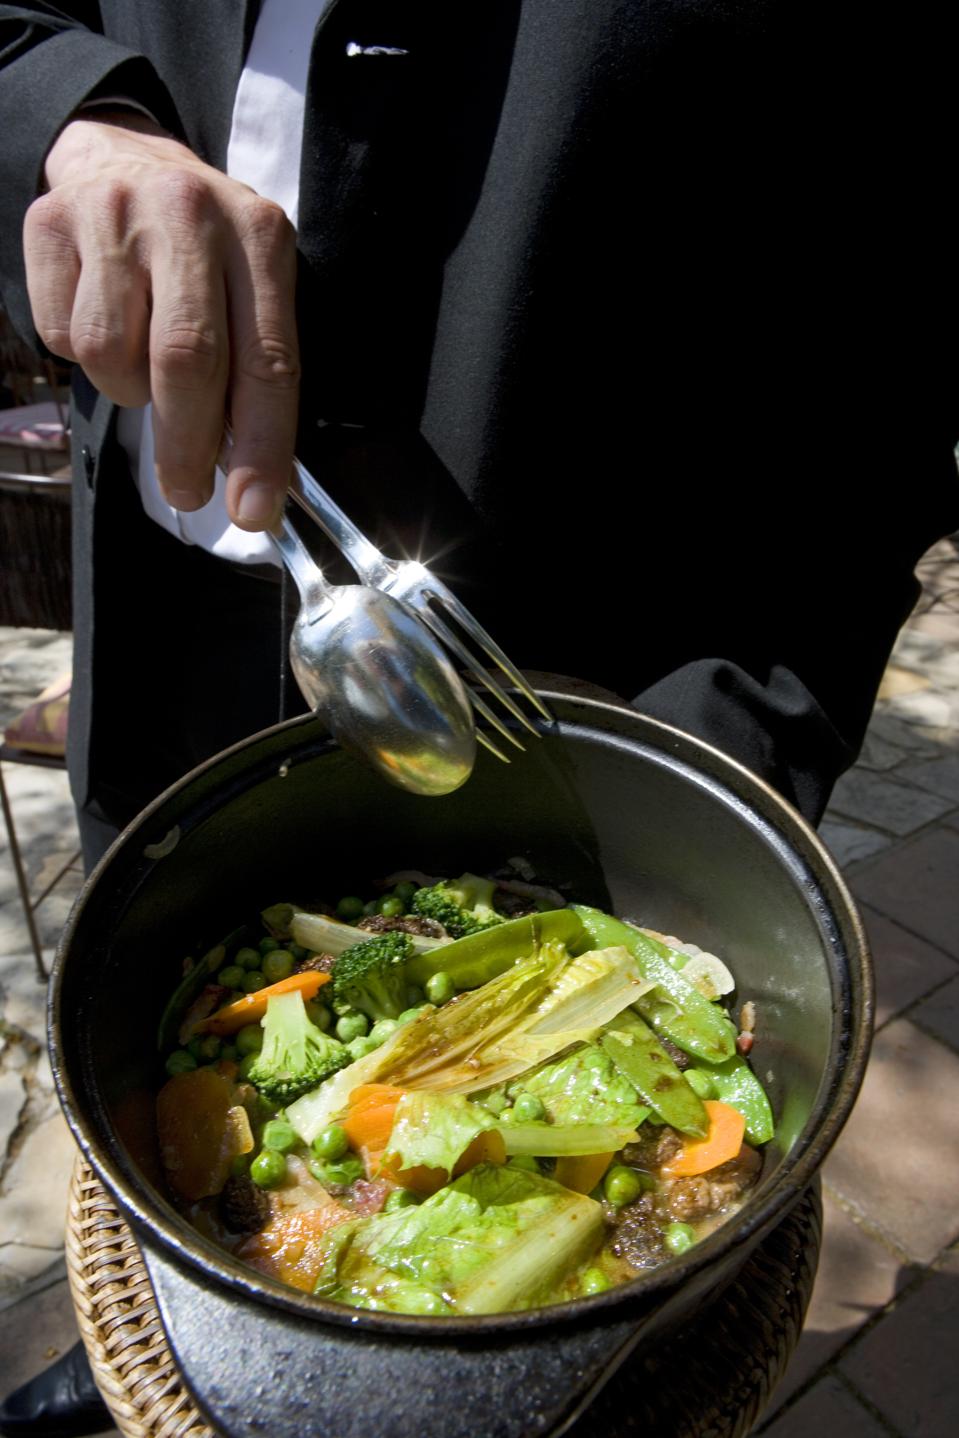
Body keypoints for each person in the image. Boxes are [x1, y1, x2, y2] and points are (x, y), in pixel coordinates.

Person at [0, 3, 956, 1434]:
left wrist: (681, 798)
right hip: (172, 600)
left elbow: (886, 387)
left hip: (560, 689)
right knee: (149, 1061)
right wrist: (66, 123)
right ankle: (180, 1330)